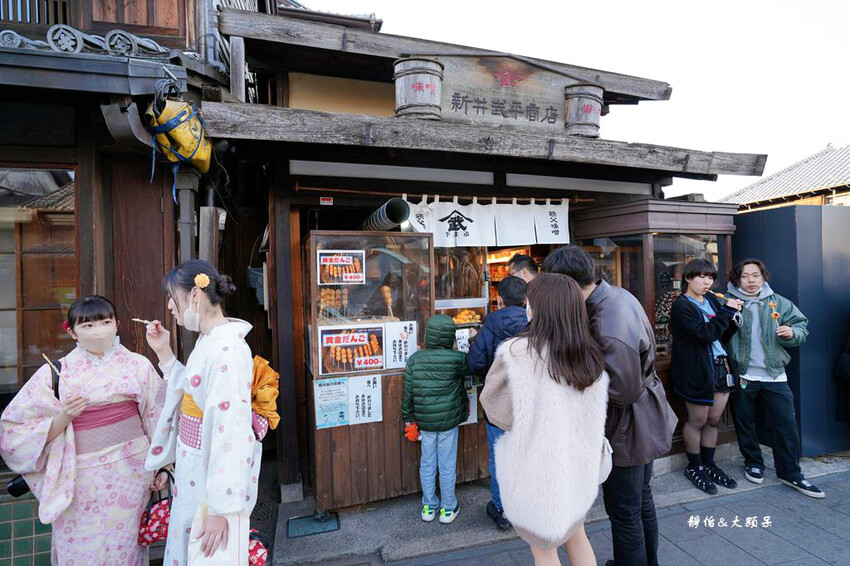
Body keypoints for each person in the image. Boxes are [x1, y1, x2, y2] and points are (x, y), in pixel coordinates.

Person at [0, 295, 164, 565]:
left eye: (105, 322)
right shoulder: (54, 372)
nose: (98, 330)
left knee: (126, 547)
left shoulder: (138, 365)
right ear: (71, 331)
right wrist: (63, 417)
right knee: (80, 550)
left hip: (132, 471)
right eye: (87, 326)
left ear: (117, 324)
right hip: (78, 476)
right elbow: (12, 431)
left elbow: (158, 417)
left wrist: (163, 467)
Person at [543, 244, 677, 566]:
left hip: (628, 426)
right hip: (641, 419)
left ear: (570, 285)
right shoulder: (616, 294)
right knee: (641, 502)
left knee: (625, 512)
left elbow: (623, 390)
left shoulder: (607, 323)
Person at [481, 273, 608, 566]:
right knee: (577, 536)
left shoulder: (517, 353)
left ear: (537, 308)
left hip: (537, 472)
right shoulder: (589, 353)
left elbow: (496, 410)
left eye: (530, 302)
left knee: (543, 550)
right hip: (579, 467)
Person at [145, 259, 261, 564]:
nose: (170, 306)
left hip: (210, 471)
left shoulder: (227, 349)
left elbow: (231, 430)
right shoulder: (211, 340)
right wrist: (164, 353)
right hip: (196, 462)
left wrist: (221, 509)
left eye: (173, 296)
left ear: (195, 295)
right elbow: (192, 389)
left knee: (205, 551)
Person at [725, 259, 824, 498]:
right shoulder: (728, 303)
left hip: (775, 374)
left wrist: (792, 333)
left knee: (785, 423)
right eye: (745, 276)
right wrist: (728, 312)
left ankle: (790, 472)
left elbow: (802, 326)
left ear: (764, 277)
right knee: (745, 420)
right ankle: (753, 462)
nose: (751, 280)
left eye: (756, 275)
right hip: (744, 373)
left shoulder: (778, 302)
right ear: (737, 279)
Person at [670, 258, 743, 495]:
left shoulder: (711, 299)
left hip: (721, 366)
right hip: (696, 370)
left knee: (714, 420)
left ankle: (710, 464)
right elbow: (703, 334)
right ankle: (694, 466)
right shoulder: (681, 305)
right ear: (688, 278)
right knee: (698, 420)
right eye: (701, 276)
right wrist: (728, 311)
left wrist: (733, 318)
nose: (707, 281)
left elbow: (721, 334)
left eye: (710, 277)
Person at [467, 275, 528, 530]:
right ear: (525, 300)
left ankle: (503, 510)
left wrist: (474, 340)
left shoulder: (489, 324)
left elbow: (476, 363)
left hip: (499, 403)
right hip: (529, 401)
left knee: (499, 458)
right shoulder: (534, 322)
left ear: (499, 299)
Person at [402, 314, 469, 525]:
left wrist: (408, 418)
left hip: (425, 422)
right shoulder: (458, 359)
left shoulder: (414, 359)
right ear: (450, 335)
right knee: (447, 465)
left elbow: (408, 393)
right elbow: (470, 371)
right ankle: (448, 509)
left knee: (427, 463)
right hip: (448, 421)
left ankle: (429, 506)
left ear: (428, 334)